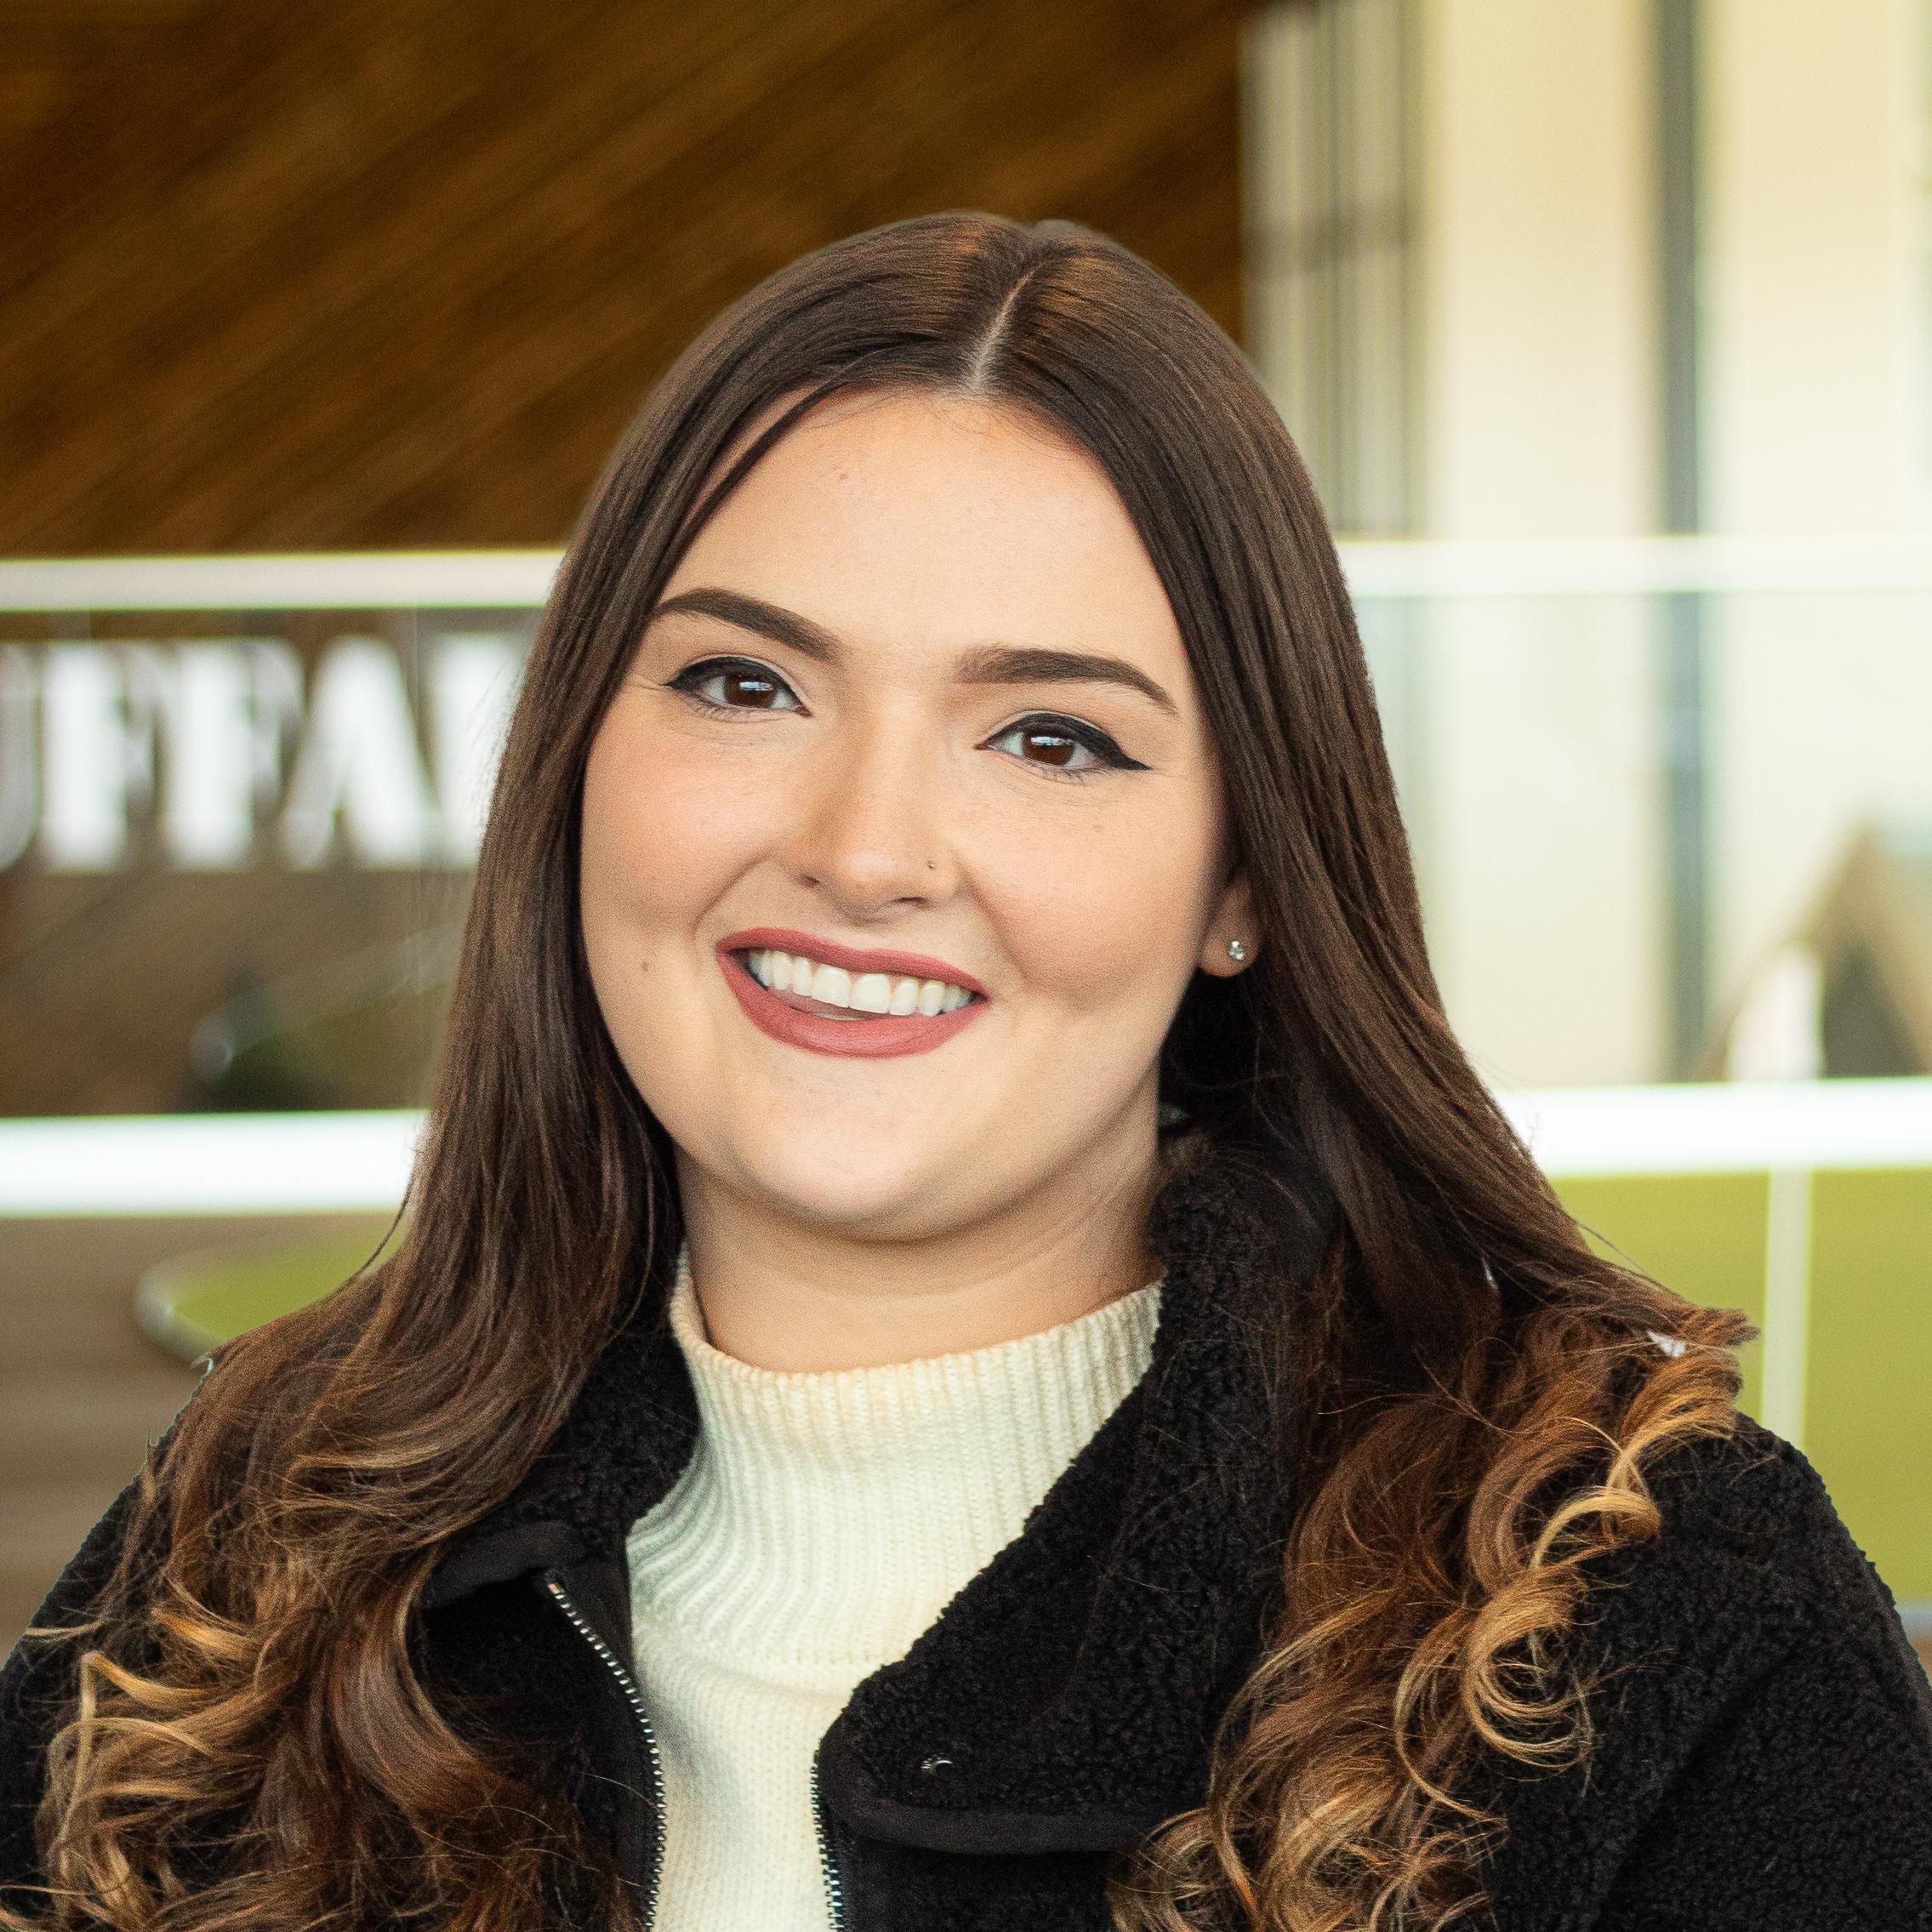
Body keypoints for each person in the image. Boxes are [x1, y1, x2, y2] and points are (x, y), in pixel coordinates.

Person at [3, 211, 1930, 1932]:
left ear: (1242, 874)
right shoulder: (249, 1538)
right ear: (576, 770)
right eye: (743, 684)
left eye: (1050, 737)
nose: (864, 845)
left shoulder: (1648, 1621)